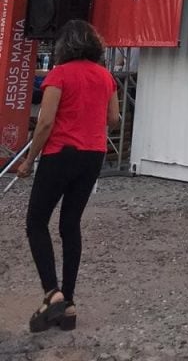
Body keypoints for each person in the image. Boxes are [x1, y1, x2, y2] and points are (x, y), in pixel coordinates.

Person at [17, 19, 120, 333]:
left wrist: (28, 161)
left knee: (36, 221)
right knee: (69, 223)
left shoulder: (59, 74)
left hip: (60, 154)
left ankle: (52, 293)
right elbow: (113, 119)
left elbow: (45, 122)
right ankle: (69, 304)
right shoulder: (106, 76)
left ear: (64, 45)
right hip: (93, 155)